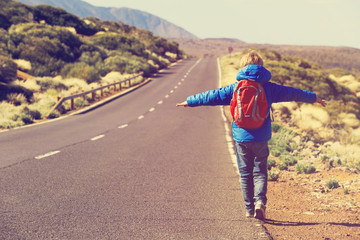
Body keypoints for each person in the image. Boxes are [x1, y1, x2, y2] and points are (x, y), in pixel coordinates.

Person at [176, 51, 326, 220]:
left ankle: (249, 209)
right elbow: (293, 92)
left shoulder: (235, 88)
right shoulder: (269, 88)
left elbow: (211, 96)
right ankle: (260, 204)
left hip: (241, 138)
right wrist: (314, 98)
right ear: (261, 66)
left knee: (245, 174)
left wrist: (190, 101)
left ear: (242, 66)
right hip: (261, 137)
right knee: (260, 172)